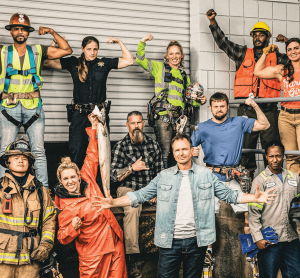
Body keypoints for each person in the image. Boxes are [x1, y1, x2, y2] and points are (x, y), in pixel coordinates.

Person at [93, 133, 275, 278]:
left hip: (197, 241)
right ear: (173, 153)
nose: (181, 153)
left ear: (191, 151)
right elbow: (140, 195)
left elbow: (230, 195)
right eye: (177, 150)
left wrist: (254, 197)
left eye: (184, 149)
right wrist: (112, 203)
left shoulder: (206, 175)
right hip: (169, 242)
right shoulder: (163, 176)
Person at [54, 113, 130, 278]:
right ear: (61, 182)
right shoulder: (64, 205)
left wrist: (95, 127)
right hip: (93, 253)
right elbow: (62, 237)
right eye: (66, 179)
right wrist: (73, 227)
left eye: (73, 177)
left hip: (114, 241)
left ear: (78, 176)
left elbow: (93, 153)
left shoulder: (87, 177)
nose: (70, 181)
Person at [206, 9, 288, 179]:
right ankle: (247, 178)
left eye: (261, 35)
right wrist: (213, 22)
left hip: (269, 109)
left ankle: (271, 179)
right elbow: (224, 43)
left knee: (271, 146)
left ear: (268, 37)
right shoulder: (243, 53)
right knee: (246, 147)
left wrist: (288, 42)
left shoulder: (278, 57)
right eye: (255, 35)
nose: (258, 38)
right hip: (247, 110)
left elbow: (296, 57)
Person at [192, 92, 270, 260]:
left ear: (227, 107)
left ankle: (251, 249)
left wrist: (254, 105)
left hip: (234, 176)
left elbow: (265, 125)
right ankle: (207, 252)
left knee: (248, 210)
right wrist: (193, 150)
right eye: (216, 106)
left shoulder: (239, 122)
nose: (219, 109)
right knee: (207, 215)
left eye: (222, 106)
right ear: (210, 108)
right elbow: (185, 148)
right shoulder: (203, 127)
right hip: (212, 176)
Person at [0, 13, 72, 188]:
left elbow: (66, 50)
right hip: (9, 108)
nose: (20, 32)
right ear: (11, 32)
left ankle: (44, 192)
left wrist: (51, 32)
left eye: (23, 29)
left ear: (28, 32)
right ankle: (3, 191)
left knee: (39, 152)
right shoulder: (3, 52)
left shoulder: (38, 51)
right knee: (4, 152)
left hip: (34, 108)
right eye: (16, 28)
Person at [44, 35, 134, 170]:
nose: (92, 52)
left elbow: (129, 60)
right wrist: (55, 44)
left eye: (95, 49)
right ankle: (77, 187)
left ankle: (97, 187)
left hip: (99, 114)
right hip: (79, 114)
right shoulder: (74, 62)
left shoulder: (103, 63)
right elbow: (46, 62)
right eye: (89, 49)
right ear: (82, 49)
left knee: (100, 152)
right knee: (77, 151)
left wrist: (119, 42)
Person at [136, 34, 207, 168]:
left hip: (180, 120)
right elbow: (140, 60)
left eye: (177, 53)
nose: (174, 56)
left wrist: (200, 101)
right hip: (163, 118)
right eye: (171, 54)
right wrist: (143, 41)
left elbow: (190, 100)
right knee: (164, 154)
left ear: (181, 56)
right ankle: (164, 183)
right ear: (167, 56)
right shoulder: (159, 68)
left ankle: (181, 180)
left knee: (181, 152)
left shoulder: (185, 77)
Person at [0, 137, 56, 278]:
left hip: (30, 257)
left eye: (24, 158)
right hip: (2, 256)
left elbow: (49, 219)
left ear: (30, 163)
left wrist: (46, 245)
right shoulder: (1, 188)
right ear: (7, 161)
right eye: (16, 157)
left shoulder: (40, 190)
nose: (20, 161)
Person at [111, 111, 163, 278]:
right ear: (127, 126)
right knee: (133, 206)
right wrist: (132, 168)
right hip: (128, 188)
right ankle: (132, 258)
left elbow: (161, 174)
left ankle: (168, 256)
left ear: (143, 124)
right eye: (132, 123)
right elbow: (113, 176)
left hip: (149, 189)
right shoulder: (121, 146)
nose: (136, 126)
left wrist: (156, 190)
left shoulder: (153, 145)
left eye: (138, 122)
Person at [248, 140, 300, 278]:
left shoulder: (295, 178)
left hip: (292, 238)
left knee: (296, 275)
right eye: (271, 156)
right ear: (266, 157)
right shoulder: (260, 180)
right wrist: (257, 238)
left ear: (283, 156)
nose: (275, 159)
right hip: (270, 240)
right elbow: (253, 213)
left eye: (278, 156)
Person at [253, 38, 300, 174]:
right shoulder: (282, 70)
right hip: (285, 116)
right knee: (291, 156)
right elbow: (258, 72)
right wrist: (265, 53)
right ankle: (296, 190)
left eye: (296, 48)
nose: (293, 52)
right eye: (289, 49)